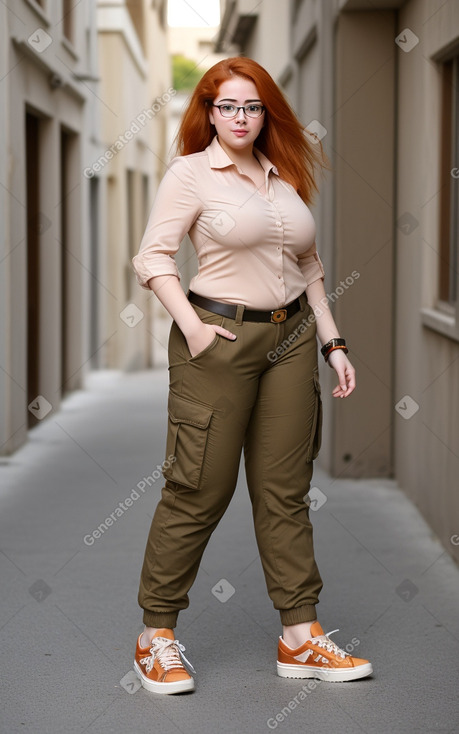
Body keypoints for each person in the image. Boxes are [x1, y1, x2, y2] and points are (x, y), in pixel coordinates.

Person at [131, 57, 372, 695]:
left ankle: (300, 635)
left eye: (253, 107)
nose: (241, 118)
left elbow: (310, 266)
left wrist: (333, 342)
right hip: (219, 340)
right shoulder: (190, 173)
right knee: (198, 487)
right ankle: (155, 635)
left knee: (284, 491)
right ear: (209, 112)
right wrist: (192, 326)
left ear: (267, 113)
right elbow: (152, 257)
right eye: (228, 106)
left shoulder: (281, 176)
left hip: (292, 340)